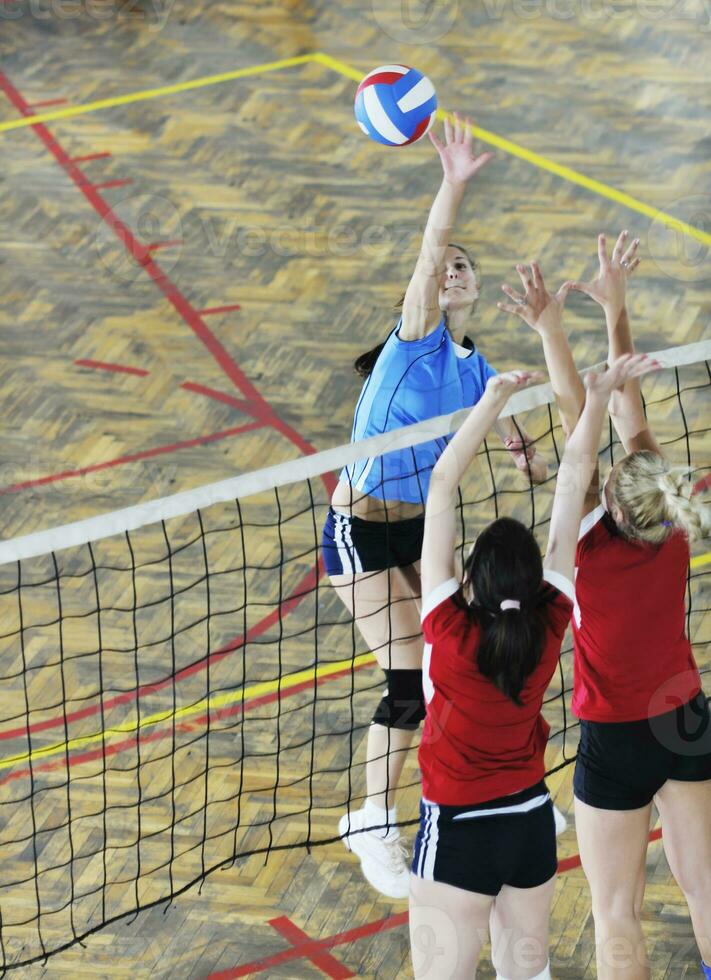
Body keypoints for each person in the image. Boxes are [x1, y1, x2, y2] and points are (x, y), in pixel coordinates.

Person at [328, 113, 546, 899]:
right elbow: (427, 255)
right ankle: (371, 820)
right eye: (444, 266)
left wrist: (520, 444)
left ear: (476, 289)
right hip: (360, 531)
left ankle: (476, 789)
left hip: (420, 528)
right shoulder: (413, 338)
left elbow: (495, 394)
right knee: (406, 679)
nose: (451, 270)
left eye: (463, 268)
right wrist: (451, 185)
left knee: (469, 659)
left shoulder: (468, 361)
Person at [500, 232, 711, 980]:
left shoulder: (584, 546)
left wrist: (549, 326)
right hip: (685, 719)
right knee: (705, 889)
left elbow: (579, 420)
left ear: (607, 504)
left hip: (614, 737)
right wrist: (611, 309)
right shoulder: (677, 521)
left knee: (614, 910)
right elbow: (625, 420)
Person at [410, 348, 658, 980]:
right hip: (527, 825)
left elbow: (441, 484)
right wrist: (595, 396)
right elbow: (574, 478)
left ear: (468, 579)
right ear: (532, 578)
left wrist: (490, 402)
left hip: (458, 832)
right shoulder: (548, 623)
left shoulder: (448, 627)